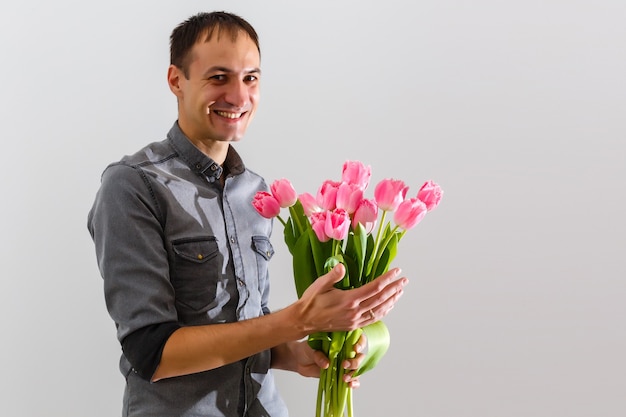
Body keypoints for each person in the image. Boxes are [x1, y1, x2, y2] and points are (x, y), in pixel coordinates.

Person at [87, 11, 408, 417]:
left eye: (250, 78)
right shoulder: (133, 186)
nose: (239, 97)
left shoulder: (255, 192)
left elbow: (247, 324)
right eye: (219, 78)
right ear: (176, 81)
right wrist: (298, 321)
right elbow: (152, 351)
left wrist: (296, 353)